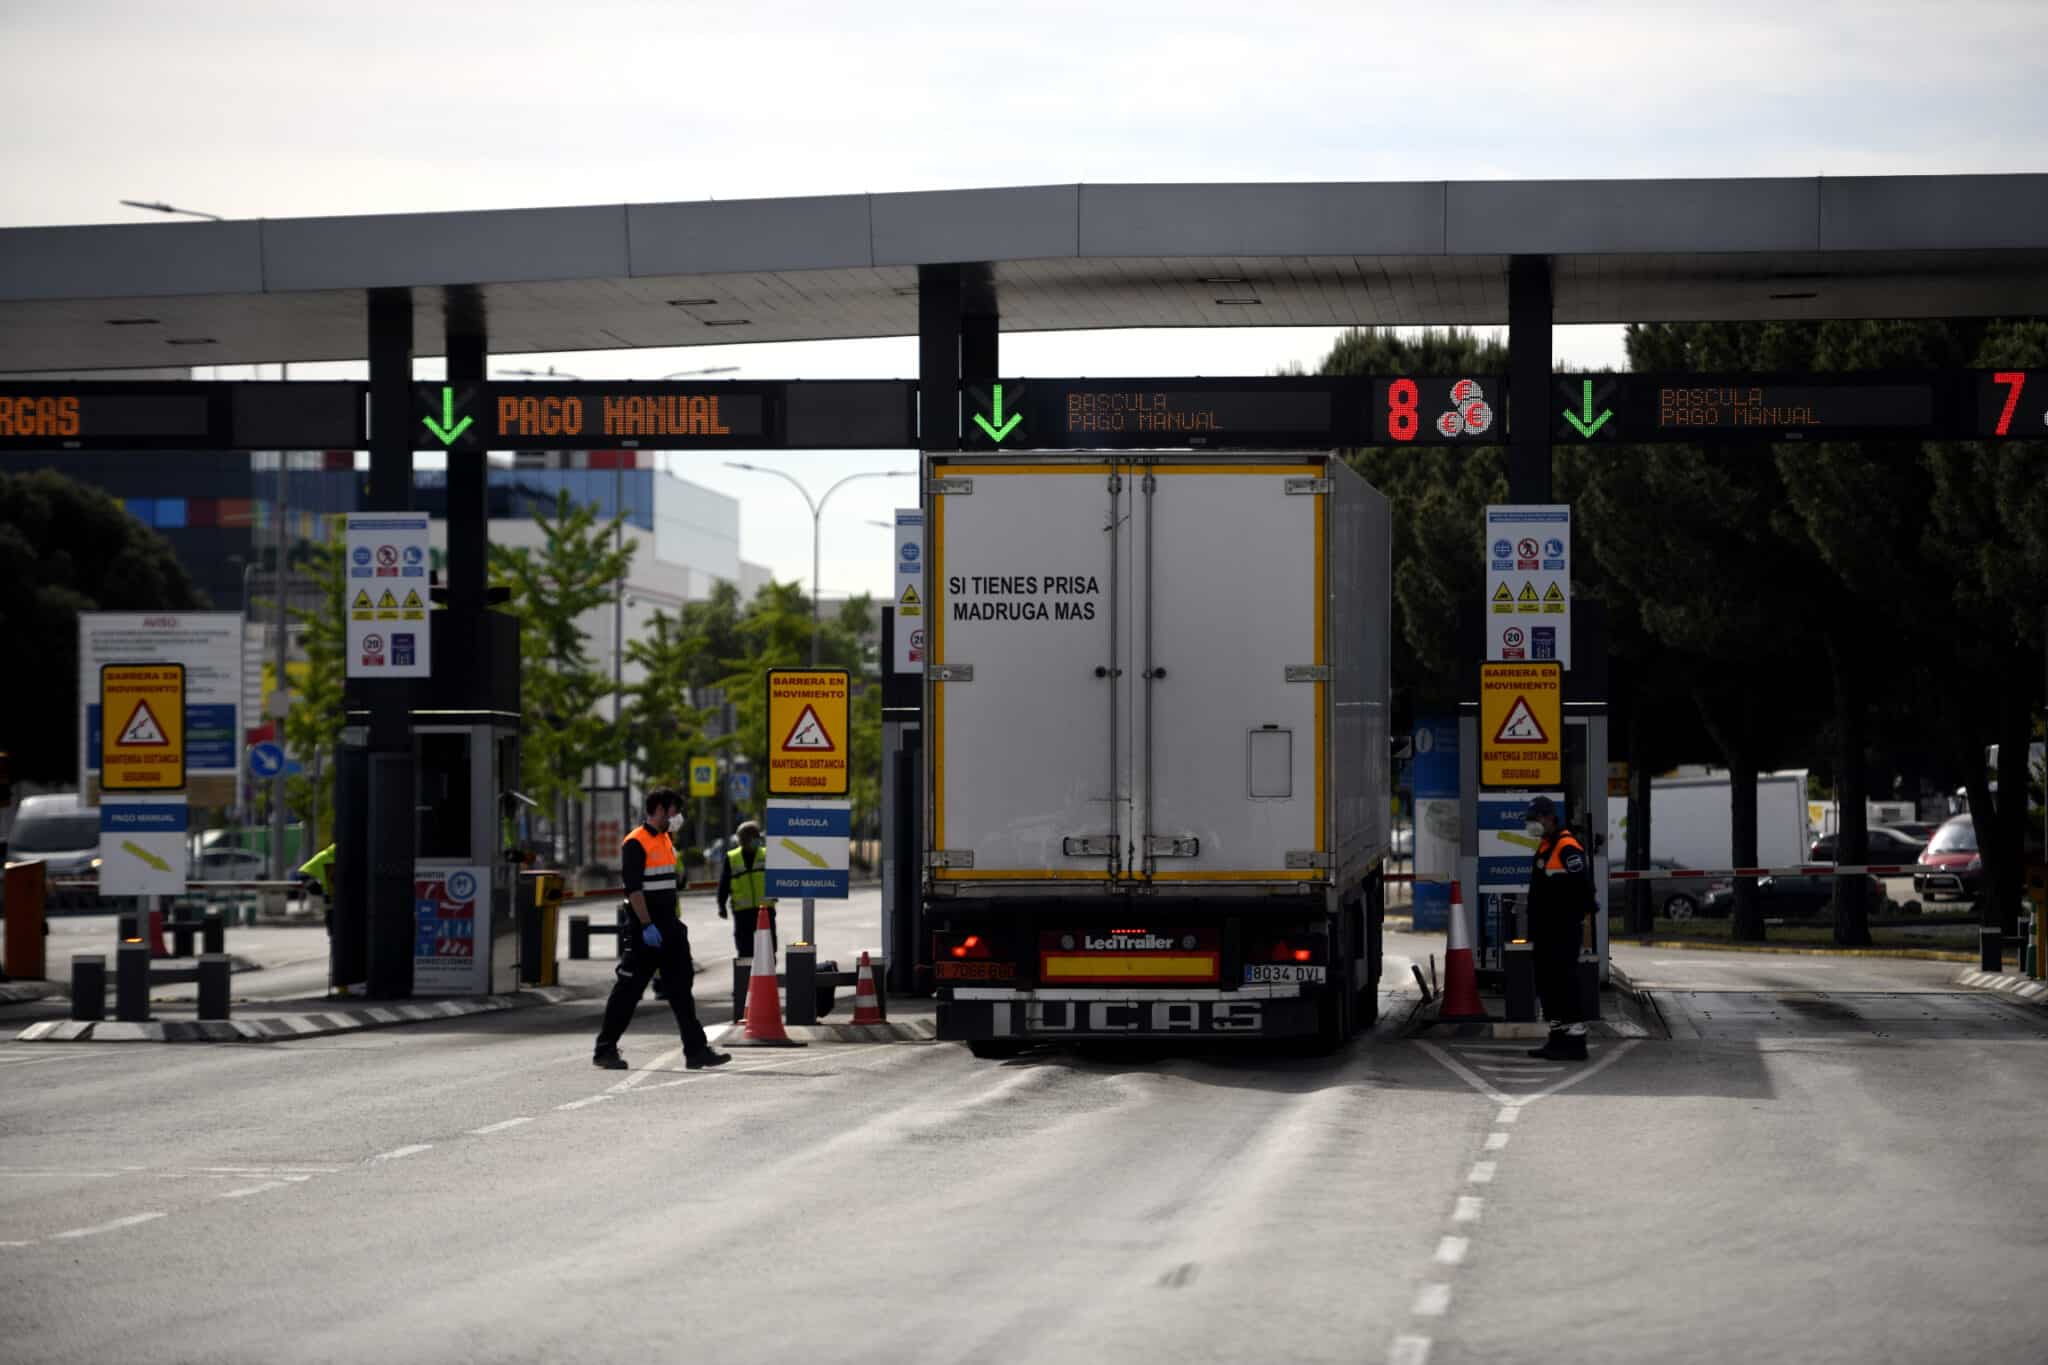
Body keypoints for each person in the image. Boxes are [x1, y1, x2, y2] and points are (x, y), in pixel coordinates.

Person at [593, 789, 729, 1072]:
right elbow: (634, 890)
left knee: (681, 990)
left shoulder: (666, 839)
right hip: (647, 929)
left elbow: (671, 881)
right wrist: (646, 925)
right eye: (672, 810)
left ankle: (696, 1050)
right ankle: (605, 1049)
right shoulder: (635, 843)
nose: (676, 816)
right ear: (657, 809)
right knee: (629, 990)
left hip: (669, 927)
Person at [1522, 796, 1597, 1061]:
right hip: (1546, 930)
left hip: (1561, 930)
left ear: (1549, 818)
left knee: (1564, 984)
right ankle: (1557, 1039)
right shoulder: (1547, 846)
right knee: (1549, 987)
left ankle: (1575, 1043)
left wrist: (1573, 917)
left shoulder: (1567, 847)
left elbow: (1583, 889)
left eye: (1536, 819)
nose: (1533, 825)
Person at [717, 820, 776, 960]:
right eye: (754, 838)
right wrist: (721, 906)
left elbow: (778, 877)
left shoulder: (767, 854)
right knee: (745, 951)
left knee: (768, 949)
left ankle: (768, 974)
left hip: (765, 910)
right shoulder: (732, 858)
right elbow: (724, 884)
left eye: (758, 837)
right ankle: (745, 978)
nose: (757, 841)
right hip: (742, 912)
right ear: (744, 840)